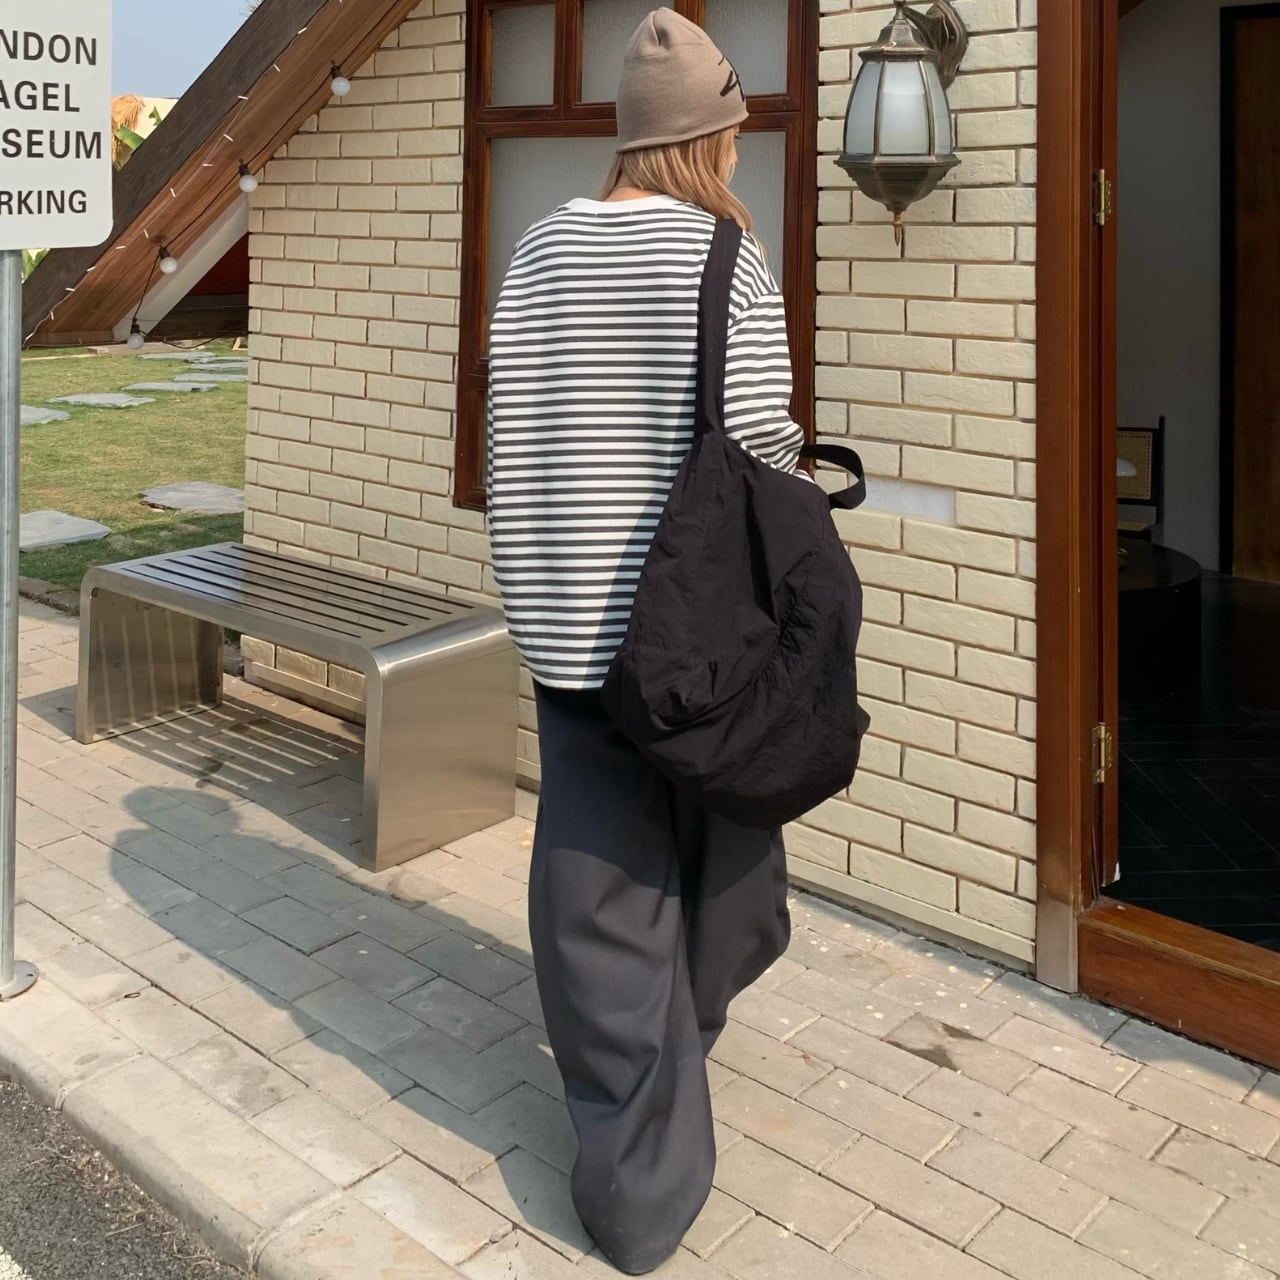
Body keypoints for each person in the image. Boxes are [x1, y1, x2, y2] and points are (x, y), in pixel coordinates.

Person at [486, 9, 809, 1273]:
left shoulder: (537, 246)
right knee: (724, 869)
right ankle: (640, 1180)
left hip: (567, 618)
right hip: (694, 638)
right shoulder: (725, 256)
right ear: (709, 136)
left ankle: (644, 1096)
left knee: (600, 886)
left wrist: (535, 574)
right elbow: (762, 447)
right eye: (731, 130)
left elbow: (511, 418)